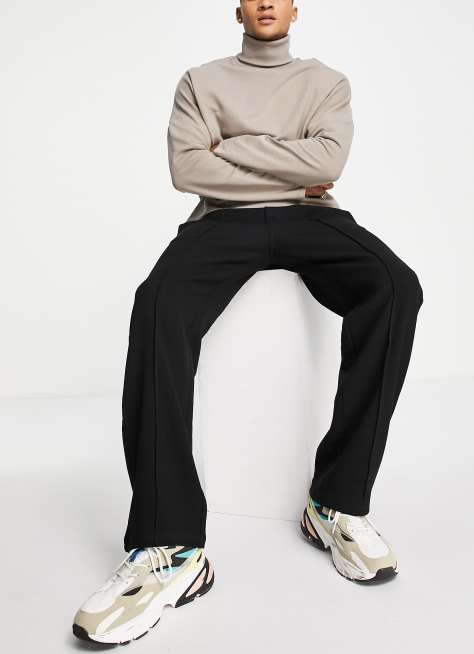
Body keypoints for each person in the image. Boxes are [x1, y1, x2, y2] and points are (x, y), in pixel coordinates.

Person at [72, 0, 423, 644]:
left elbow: (326, 168)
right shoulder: (201, 81)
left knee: (396, 288)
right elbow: (188, 170)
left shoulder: (325, 82)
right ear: (237, 9)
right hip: (220, 223)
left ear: (294, 9)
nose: (266, 2)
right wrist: (289, 161)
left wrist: (232, 148)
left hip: (314, 219)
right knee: (157, 306)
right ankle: (172, 544)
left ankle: (336, 503)